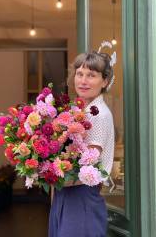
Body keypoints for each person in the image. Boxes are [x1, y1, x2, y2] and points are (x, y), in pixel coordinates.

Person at [48, 50, 115, 237]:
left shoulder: (99, 114)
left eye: (91, 75)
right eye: (80, 74)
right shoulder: (82, 110)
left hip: (81, 201)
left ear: (105, 81)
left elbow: (88, 170)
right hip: (66, 197)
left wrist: (48, 174)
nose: (83, 81)